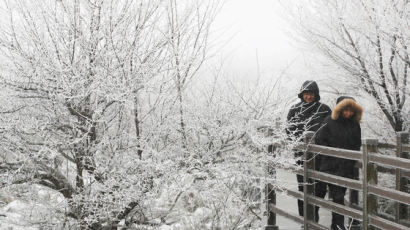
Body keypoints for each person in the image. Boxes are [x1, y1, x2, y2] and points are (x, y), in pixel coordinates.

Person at [286, 80, 331, 221]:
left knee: (320, 186)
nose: (309, 97)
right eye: (306, 94)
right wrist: (297, 143)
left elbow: (330, 129)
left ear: (316, 94)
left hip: (321, 156)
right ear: (302, 94)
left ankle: (313, 214)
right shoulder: (295, 109)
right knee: (303, 186)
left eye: (311, 94)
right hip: (301, 155)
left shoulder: (324, 109)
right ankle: (305, 218)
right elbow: (289, 130)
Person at [315, 96, 363, 230]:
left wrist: (350, 158)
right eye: (346, 110)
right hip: (330, 166)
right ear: (340, 109)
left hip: (346, 167)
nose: (348, 113)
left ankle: (336, 225)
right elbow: (319, 139)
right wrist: (332, 154)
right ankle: (330, 224)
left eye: (351, 111)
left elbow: (357, 144)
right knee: (332, 196)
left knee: (339, 197)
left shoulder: (355, 124)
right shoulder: (329, 121)